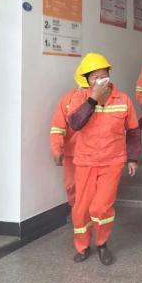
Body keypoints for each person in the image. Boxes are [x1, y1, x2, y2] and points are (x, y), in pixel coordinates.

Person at [67, 52, 141, 265]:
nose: (99, 80)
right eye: (94, 77)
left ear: (109, 74)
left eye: (102, 75)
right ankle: (82, 246)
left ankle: (102, 243)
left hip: (112, 162)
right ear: (87, 80)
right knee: (81, 209)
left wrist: (133, 158)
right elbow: (75, 123)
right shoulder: (79, 97)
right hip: (85, 161)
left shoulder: (123, 99)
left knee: (101, 208)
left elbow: (133, 131)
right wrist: (92, 99)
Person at [49, 66, 90, 207]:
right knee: (72, 186)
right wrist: (56, 150)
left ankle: (86, 214)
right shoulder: (67, 100)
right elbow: (57, 127)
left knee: (91, 189)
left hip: (94, 154)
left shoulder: (104, 100)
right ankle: (77, 212)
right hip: (72, 153)